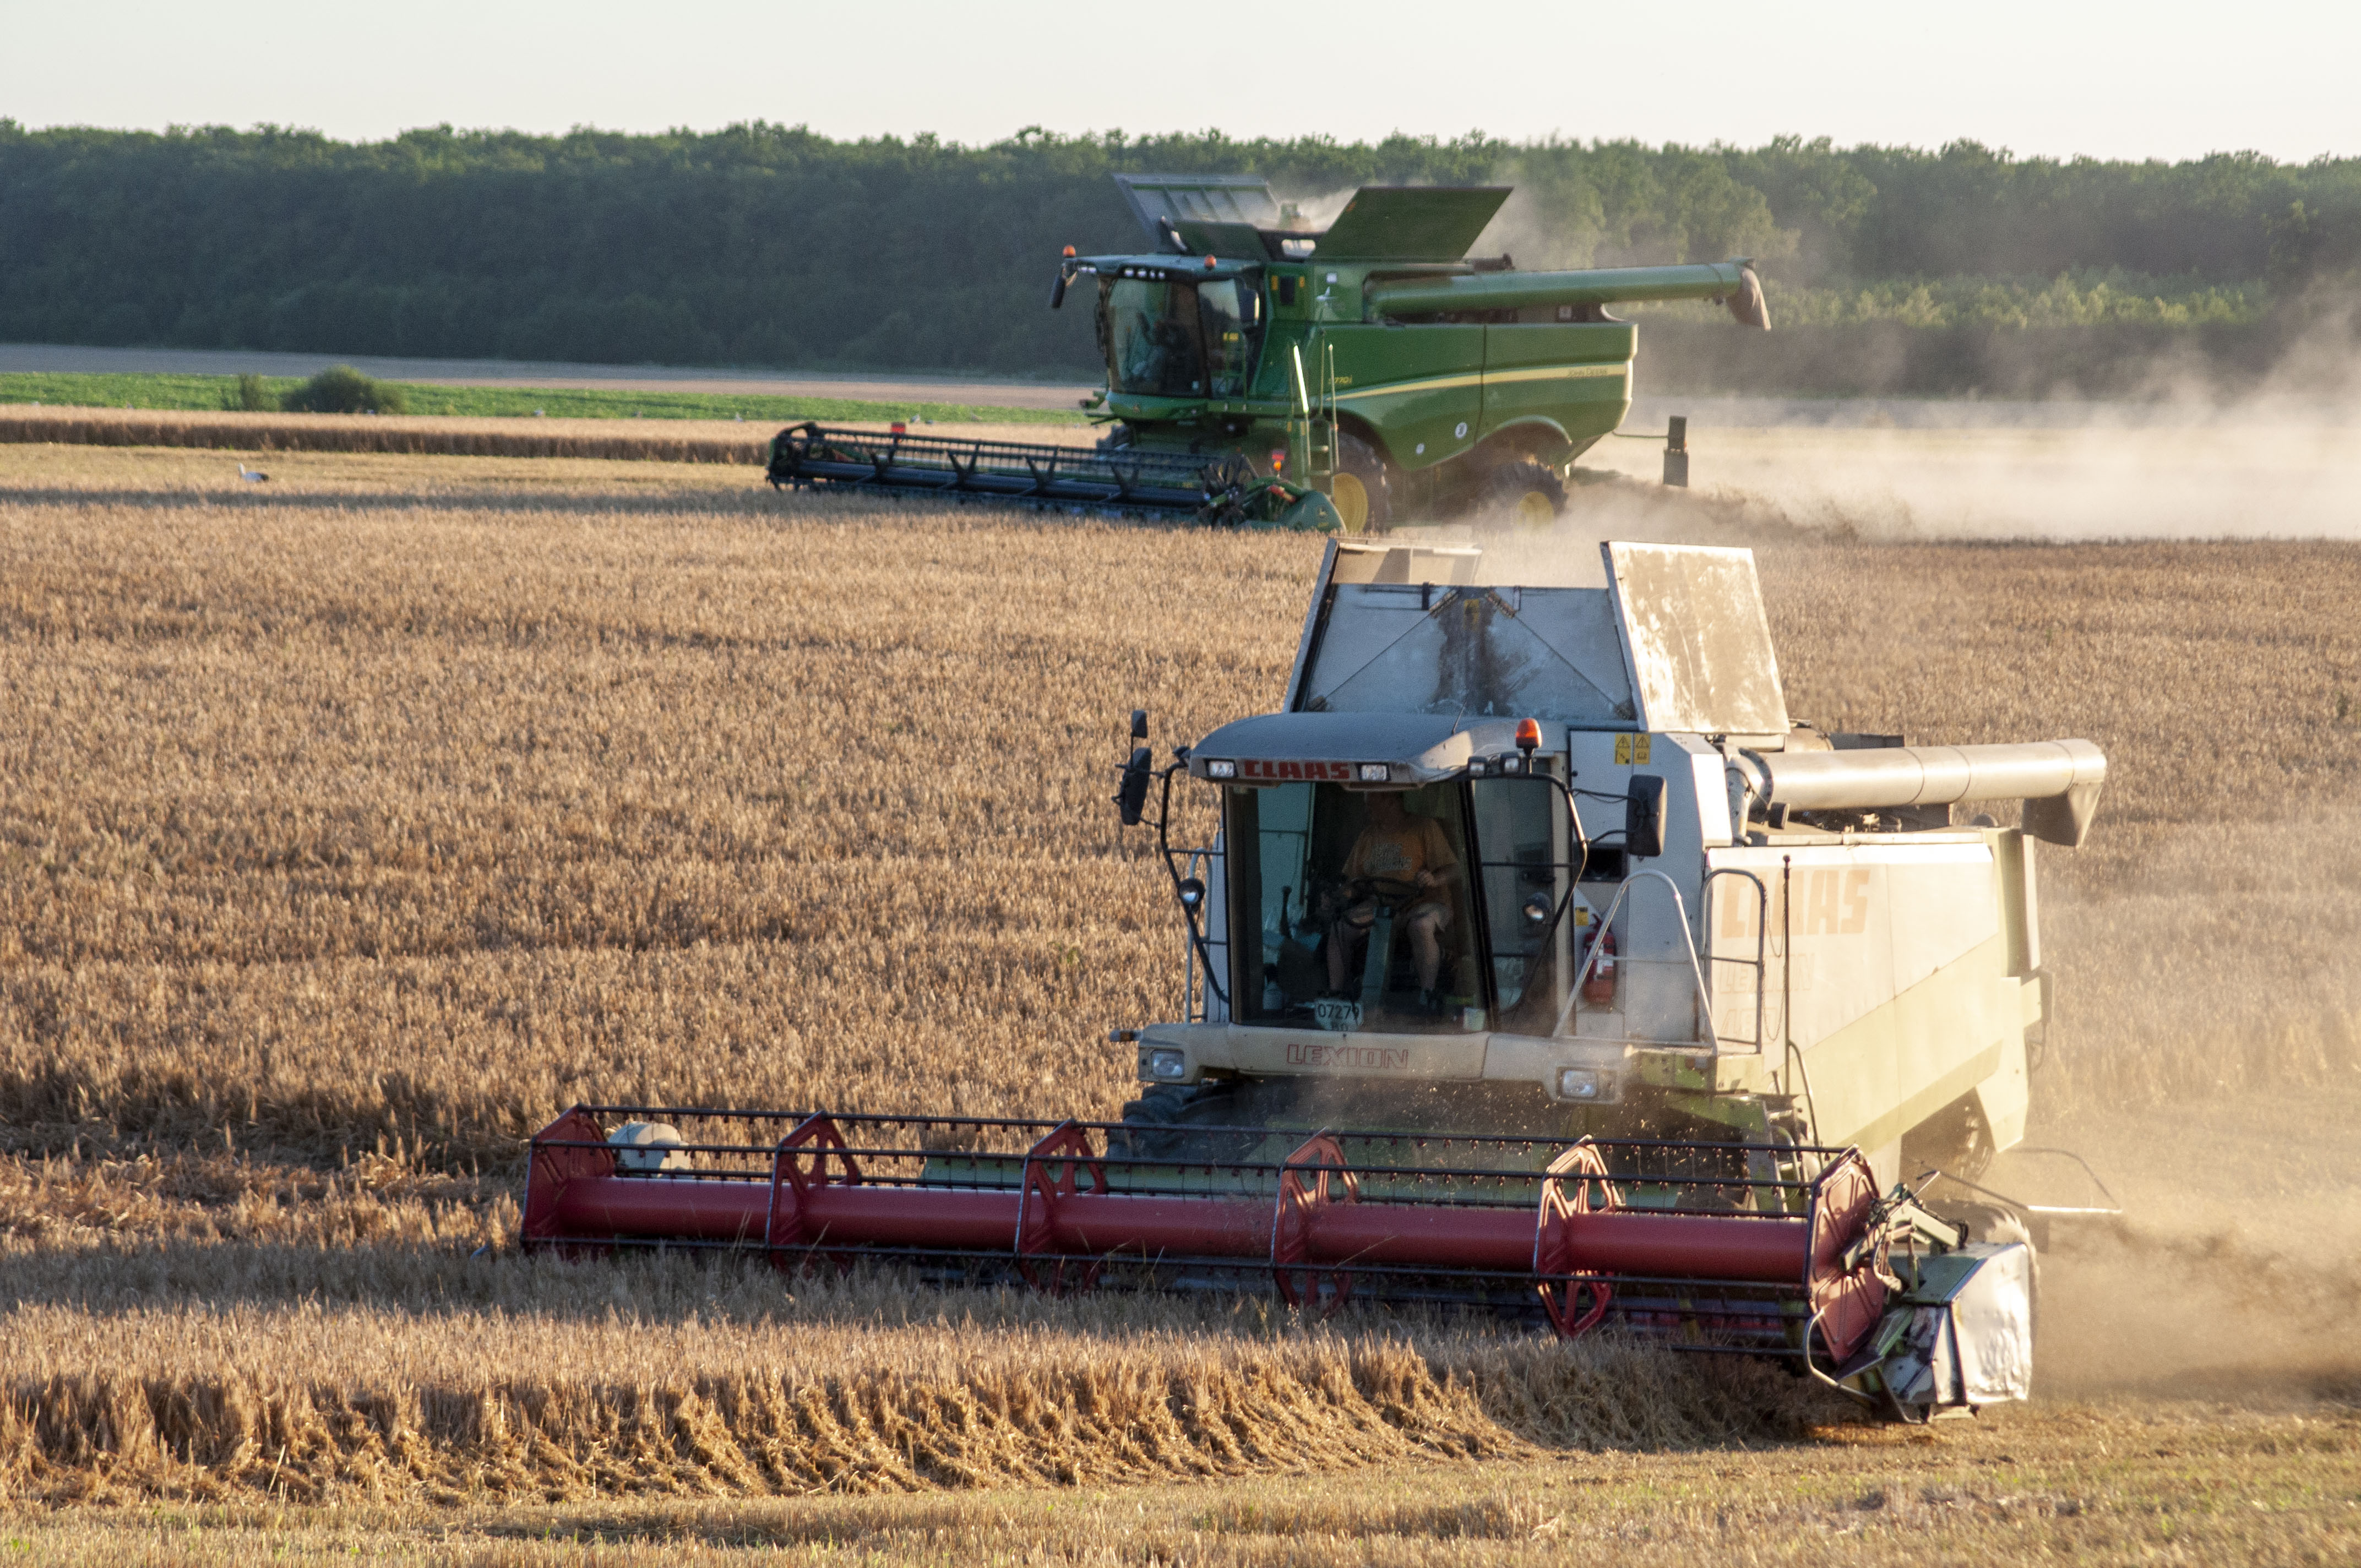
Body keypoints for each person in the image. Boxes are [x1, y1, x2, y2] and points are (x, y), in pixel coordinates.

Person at [1325, 791, 1460, 1009]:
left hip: (1422, 901)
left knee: (1422, 925)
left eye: (1372, 804)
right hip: (1381, 903)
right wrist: (1336, 897)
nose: (1367, 810)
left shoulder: (1424, 828)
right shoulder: (1368, 836)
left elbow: (1457, 869)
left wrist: (1434, 879)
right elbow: (1353, 884)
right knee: (1340, 929)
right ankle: (1335, 998)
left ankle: (1428, 996)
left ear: (1392, 801)